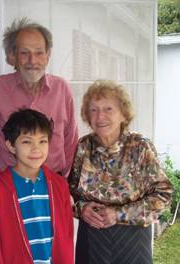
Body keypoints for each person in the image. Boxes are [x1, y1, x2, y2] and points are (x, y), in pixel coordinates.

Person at [68, 80, 173, 264]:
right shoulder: (84, 146)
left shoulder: (140, 146)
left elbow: (163, 196)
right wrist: (81, 209)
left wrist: (119, 214)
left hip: (132, 240)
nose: (100, 116)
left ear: (123, 114)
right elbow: (70, 193)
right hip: (91, 240)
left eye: (108, 109)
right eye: (93, 110)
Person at [0, 18, 78, 177]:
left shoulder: (62, 89)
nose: (33, 61)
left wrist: (66, 184)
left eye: (39, 52)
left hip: (53, 184)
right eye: (24, 53)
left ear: (48, 55)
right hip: (7, 186)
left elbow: (71, 142)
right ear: (12, 56)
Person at [0, 109, 74, 264]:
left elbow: (67, 235)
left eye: (42, 141)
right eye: (27, 141)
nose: (36, 149)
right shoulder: (0, 189)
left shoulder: (59, 185)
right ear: (11, 146)